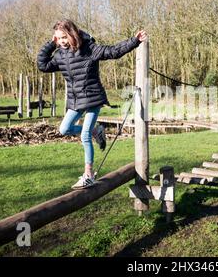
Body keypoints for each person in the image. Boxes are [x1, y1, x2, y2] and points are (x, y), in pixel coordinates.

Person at [37, 19, 148, 189]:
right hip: (75, 100)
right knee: (64, 129)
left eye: (64, 38)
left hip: (93, 98)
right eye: (58, 39)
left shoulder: (89, 48)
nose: (62, 42)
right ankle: (98, 130)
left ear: (72, 34)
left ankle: (88, 175)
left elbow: (113, 52)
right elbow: (43, 65)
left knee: (84, 136)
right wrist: (50, 45)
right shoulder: (60, 54)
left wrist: (134, 41)